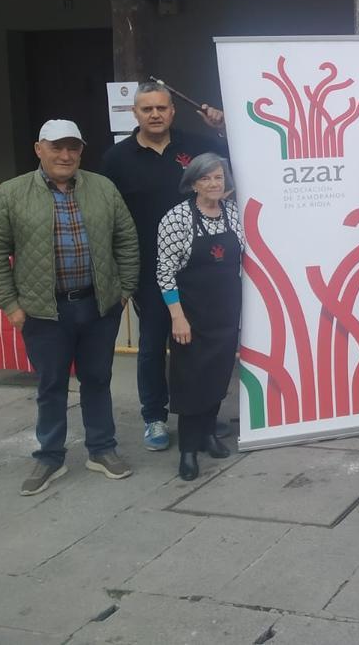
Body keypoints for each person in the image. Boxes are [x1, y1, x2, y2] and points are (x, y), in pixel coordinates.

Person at [0, 120, 139, 495]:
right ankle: (50, 456)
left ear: (81, 151)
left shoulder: (103, 188)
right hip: (43, 312)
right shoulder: (11, 192)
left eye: (73, 147)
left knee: (98, 379)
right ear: (39, 149)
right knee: (51, 384)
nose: (65, 155)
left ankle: (101, 449)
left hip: (98, 306)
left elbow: (127, 240)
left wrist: (124, 291)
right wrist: (12, 306)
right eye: (57, 147)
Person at [101, 80, 225, 452]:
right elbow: (108, 218)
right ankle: (153, 416)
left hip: (199, 270)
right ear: (134, 112)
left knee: (198, 346)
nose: (154, 114)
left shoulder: (196, 146)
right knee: (153, 346)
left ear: (172, 110)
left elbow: (239, 159)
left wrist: (220, 127)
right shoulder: (116, 159)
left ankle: (199, 413)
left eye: (161, 108)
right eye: (146, 109)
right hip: (148, 272)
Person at [155, 153, 244, 481]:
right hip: (191, 317)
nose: (213, 184)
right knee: (190, 382)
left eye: (218, 177)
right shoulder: (176, 218)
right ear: (193, 183)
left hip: (225, 313)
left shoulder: (234, 214)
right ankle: (188, 450)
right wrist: (177, 317)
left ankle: (208, 434)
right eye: (205, 178)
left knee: (217, 378)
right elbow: (164, 273)